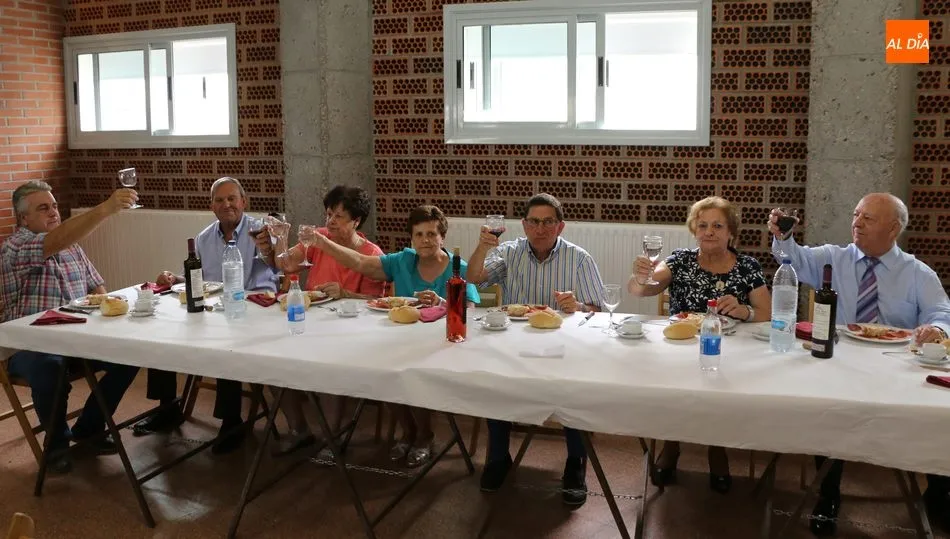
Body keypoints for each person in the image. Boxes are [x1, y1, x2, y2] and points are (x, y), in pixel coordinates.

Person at [769, 193, 950, 536]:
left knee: (939, 411)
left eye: (868, 218)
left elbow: (942, 313)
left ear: (894, 228)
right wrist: (783, 237)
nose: (857, 223)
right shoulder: (832, 259)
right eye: (856, 215)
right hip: (843, 360)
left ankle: (939, 492)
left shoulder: (917, 273)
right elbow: (791, 258)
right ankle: (828, 493)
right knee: (830, 407)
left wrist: (936, 329)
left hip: (897, 365)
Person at [305, 204, 479, 468]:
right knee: (382, 370)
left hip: (441, 345)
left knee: (411, 372)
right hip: (400, 339)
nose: (425, 241)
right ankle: (408, 432)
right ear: (412, 238)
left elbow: (470, 310)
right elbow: (360, 262)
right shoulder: (403, 260)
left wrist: (443, 301)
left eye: (432, 234)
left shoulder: (458, 268)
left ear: (442, 237)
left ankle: (423, 436)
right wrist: (321, 241)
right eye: (419, 234)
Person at [466, 193, 606, 507]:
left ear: (561, 226)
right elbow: (474, 278)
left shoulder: (579, 258)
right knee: (495, 379)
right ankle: (499, 457)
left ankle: (575, 463)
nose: (540, 229)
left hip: (564, 345)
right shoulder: (508, 252)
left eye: (548, 222)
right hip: (515, 342)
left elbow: (599, 310)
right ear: (524, 225)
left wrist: (579, 305)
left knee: (574, 390)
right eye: (534, 222)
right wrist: (483, 247)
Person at [627, 196, 772, 494]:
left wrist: (745, 311)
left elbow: (768, 313)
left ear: (731, 232)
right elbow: (642, 291)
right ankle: (671, 444)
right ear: (694, 230)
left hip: (730, 348)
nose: (709, 231)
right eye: (703, 225)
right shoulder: (680, 260)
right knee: (673, 385)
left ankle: (716, 450)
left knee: (722, 388)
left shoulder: (747, 266)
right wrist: (640, 276)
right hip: (681, 346)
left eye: (718, 225)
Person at [0, 181, 141, 474]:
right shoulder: (16, 246)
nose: (53, 212)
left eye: (54, 206)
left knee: (133, 353)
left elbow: (97, 286)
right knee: (48, 365)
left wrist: (108, 311)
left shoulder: (71, 246)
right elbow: (52, 243)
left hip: (77, 338)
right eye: (43, 208)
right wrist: (106, 209)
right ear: (23, 218)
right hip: (29, 345)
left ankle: (89, 428)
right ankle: (57, 445)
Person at [135, 177, 278, 455]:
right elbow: (199, 281)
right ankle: (168, 406)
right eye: (220, 200)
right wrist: (174, 278)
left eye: (232, 199)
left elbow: (270, 280)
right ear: (211, 205)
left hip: (249, 312)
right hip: (213, 311)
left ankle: (231, 421)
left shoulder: (260, 232)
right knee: (161, 330)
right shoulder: (203, 238)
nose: (227, 205)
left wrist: (269, 252)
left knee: (225, 343)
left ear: (243, 202)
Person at [271, 185, 385, 457]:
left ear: (356, 221)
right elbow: (285, 264)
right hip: (311, 320)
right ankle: (300, 430)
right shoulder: (318, 239)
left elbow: (375, 304)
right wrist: (280, 237)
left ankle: (333, 438)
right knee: (270, 362)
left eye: (338, 217)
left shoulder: (371, 254)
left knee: (329, 370)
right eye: (328, 214)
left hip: (349, 331)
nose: (330, 222)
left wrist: (346, 293)